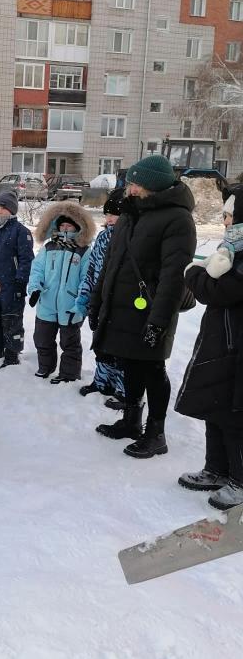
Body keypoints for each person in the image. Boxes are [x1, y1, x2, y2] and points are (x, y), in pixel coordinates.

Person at [91, 155, 196, 458]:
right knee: (129, 362)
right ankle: (131, 421)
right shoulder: (130, 213)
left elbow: (173, 277)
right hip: (122, 308)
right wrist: (97, 302)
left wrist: (158, 323)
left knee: (152, 369)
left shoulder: (178, 220)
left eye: (136, 184)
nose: (130, 188)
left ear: (153, 186)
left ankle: (156, 433)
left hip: (151, 311)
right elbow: (111, 263)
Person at [175, 188, 243, 509]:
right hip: (223, 341)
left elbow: (222, 291)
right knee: (214, 406)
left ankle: (240, 481)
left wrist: (193, 274)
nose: (225, 220)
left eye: (229, 214)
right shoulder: (232, 248)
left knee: (234, 415)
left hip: (237, 347)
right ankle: (216, 469)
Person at [27, 202, 95, 384]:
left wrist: (81, 301)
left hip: (70, 305)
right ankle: (45, 367)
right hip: (47, 302)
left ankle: (69, 374)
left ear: (78, 227)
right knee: (42, 338)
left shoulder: (84, 251)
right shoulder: (49, 248)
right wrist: (34, 288)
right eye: (62, 225)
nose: (65, 228)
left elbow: (86, 278)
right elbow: (37, 270)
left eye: (69, 225)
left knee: (70, 343)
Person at [76, 188, 126, 408]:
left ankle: (122, 389)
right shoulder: (103, 237)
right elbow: (93, 268)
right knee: (101, 343)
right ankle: (102, 381)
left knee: (121, 348)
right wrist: (85, 294)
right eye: (107, 215)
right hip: (101, 300)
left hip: (120, 303)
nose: (109, 219)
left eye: (114, 214)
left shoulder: (128, 239)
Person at [0, 191, 34, 368]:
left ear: (12, 211)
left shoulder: (22, 232)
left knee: (11, 321)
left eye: (3, 209)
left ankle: (12, 356)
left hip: (11, 286)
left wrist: (21, 283)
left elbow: (26, 260)